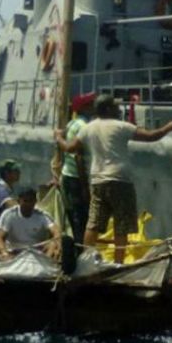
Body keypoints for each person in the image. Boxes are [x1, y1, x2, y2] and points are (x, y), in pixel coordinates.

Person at [55, 94, 172, 264]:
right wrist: (169, 127)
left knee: (93, 223)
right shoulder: (121, 126)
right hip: (120, 180)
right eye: (115, 106)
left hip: (98, 180)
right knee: (121, 224)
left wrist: (58, 137)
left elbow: (69, 147)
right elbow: (152, 136)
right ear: (108, 109)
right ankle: (118, 263)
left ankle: (86, 261)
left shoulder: (88, 128)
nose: (118, 108)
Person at [59, 92, 96, 244]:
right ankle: (80, 249)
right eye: (92, 104)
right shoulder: (84, 127)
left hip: (67, 173)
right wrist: (84, 185)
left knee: (73, 215)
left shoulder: (71, 124)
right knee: (81, 216)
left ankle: (75, 245)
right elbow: (79, 157)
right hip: (76, 177)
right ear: (86, 107)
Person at [0, 186, 61, 261]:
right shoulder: (9, 215)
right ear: (19, 201)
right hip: (14, 251)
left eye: (31, 201)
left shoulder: (42, 215)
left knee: (52, 244)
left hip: (37, 252)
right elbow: (0, 238)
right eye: (25, 201)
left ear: (35, 201)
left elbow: (56, 232)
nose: (28, 204)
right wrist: (4, 253)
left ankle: (47, 263)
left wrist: (57, 244)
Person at [0, 159, 22, 232]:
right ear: (7, 173)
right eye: (16, 170)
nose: (19, 173)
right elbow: (15, 207)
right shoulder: (1, 190)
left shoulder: (9, 189)